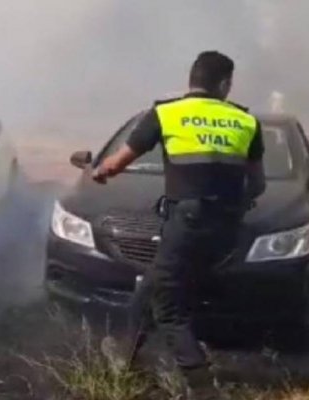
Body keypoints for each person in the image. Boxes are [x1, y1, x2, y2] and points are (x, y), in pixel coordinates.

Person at [93, 51, 266, 399]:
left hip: (187, 223)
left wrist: (98, 171)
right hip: (227, 228)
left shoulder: (166, 113)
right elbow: (257, 185)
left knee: (168, 304)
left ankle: (201, 386)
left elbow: (116, 164)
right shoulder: (246, 121)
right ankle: (125, 355)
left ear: (192, 79)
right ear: (224, 84)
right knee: (153, 285)